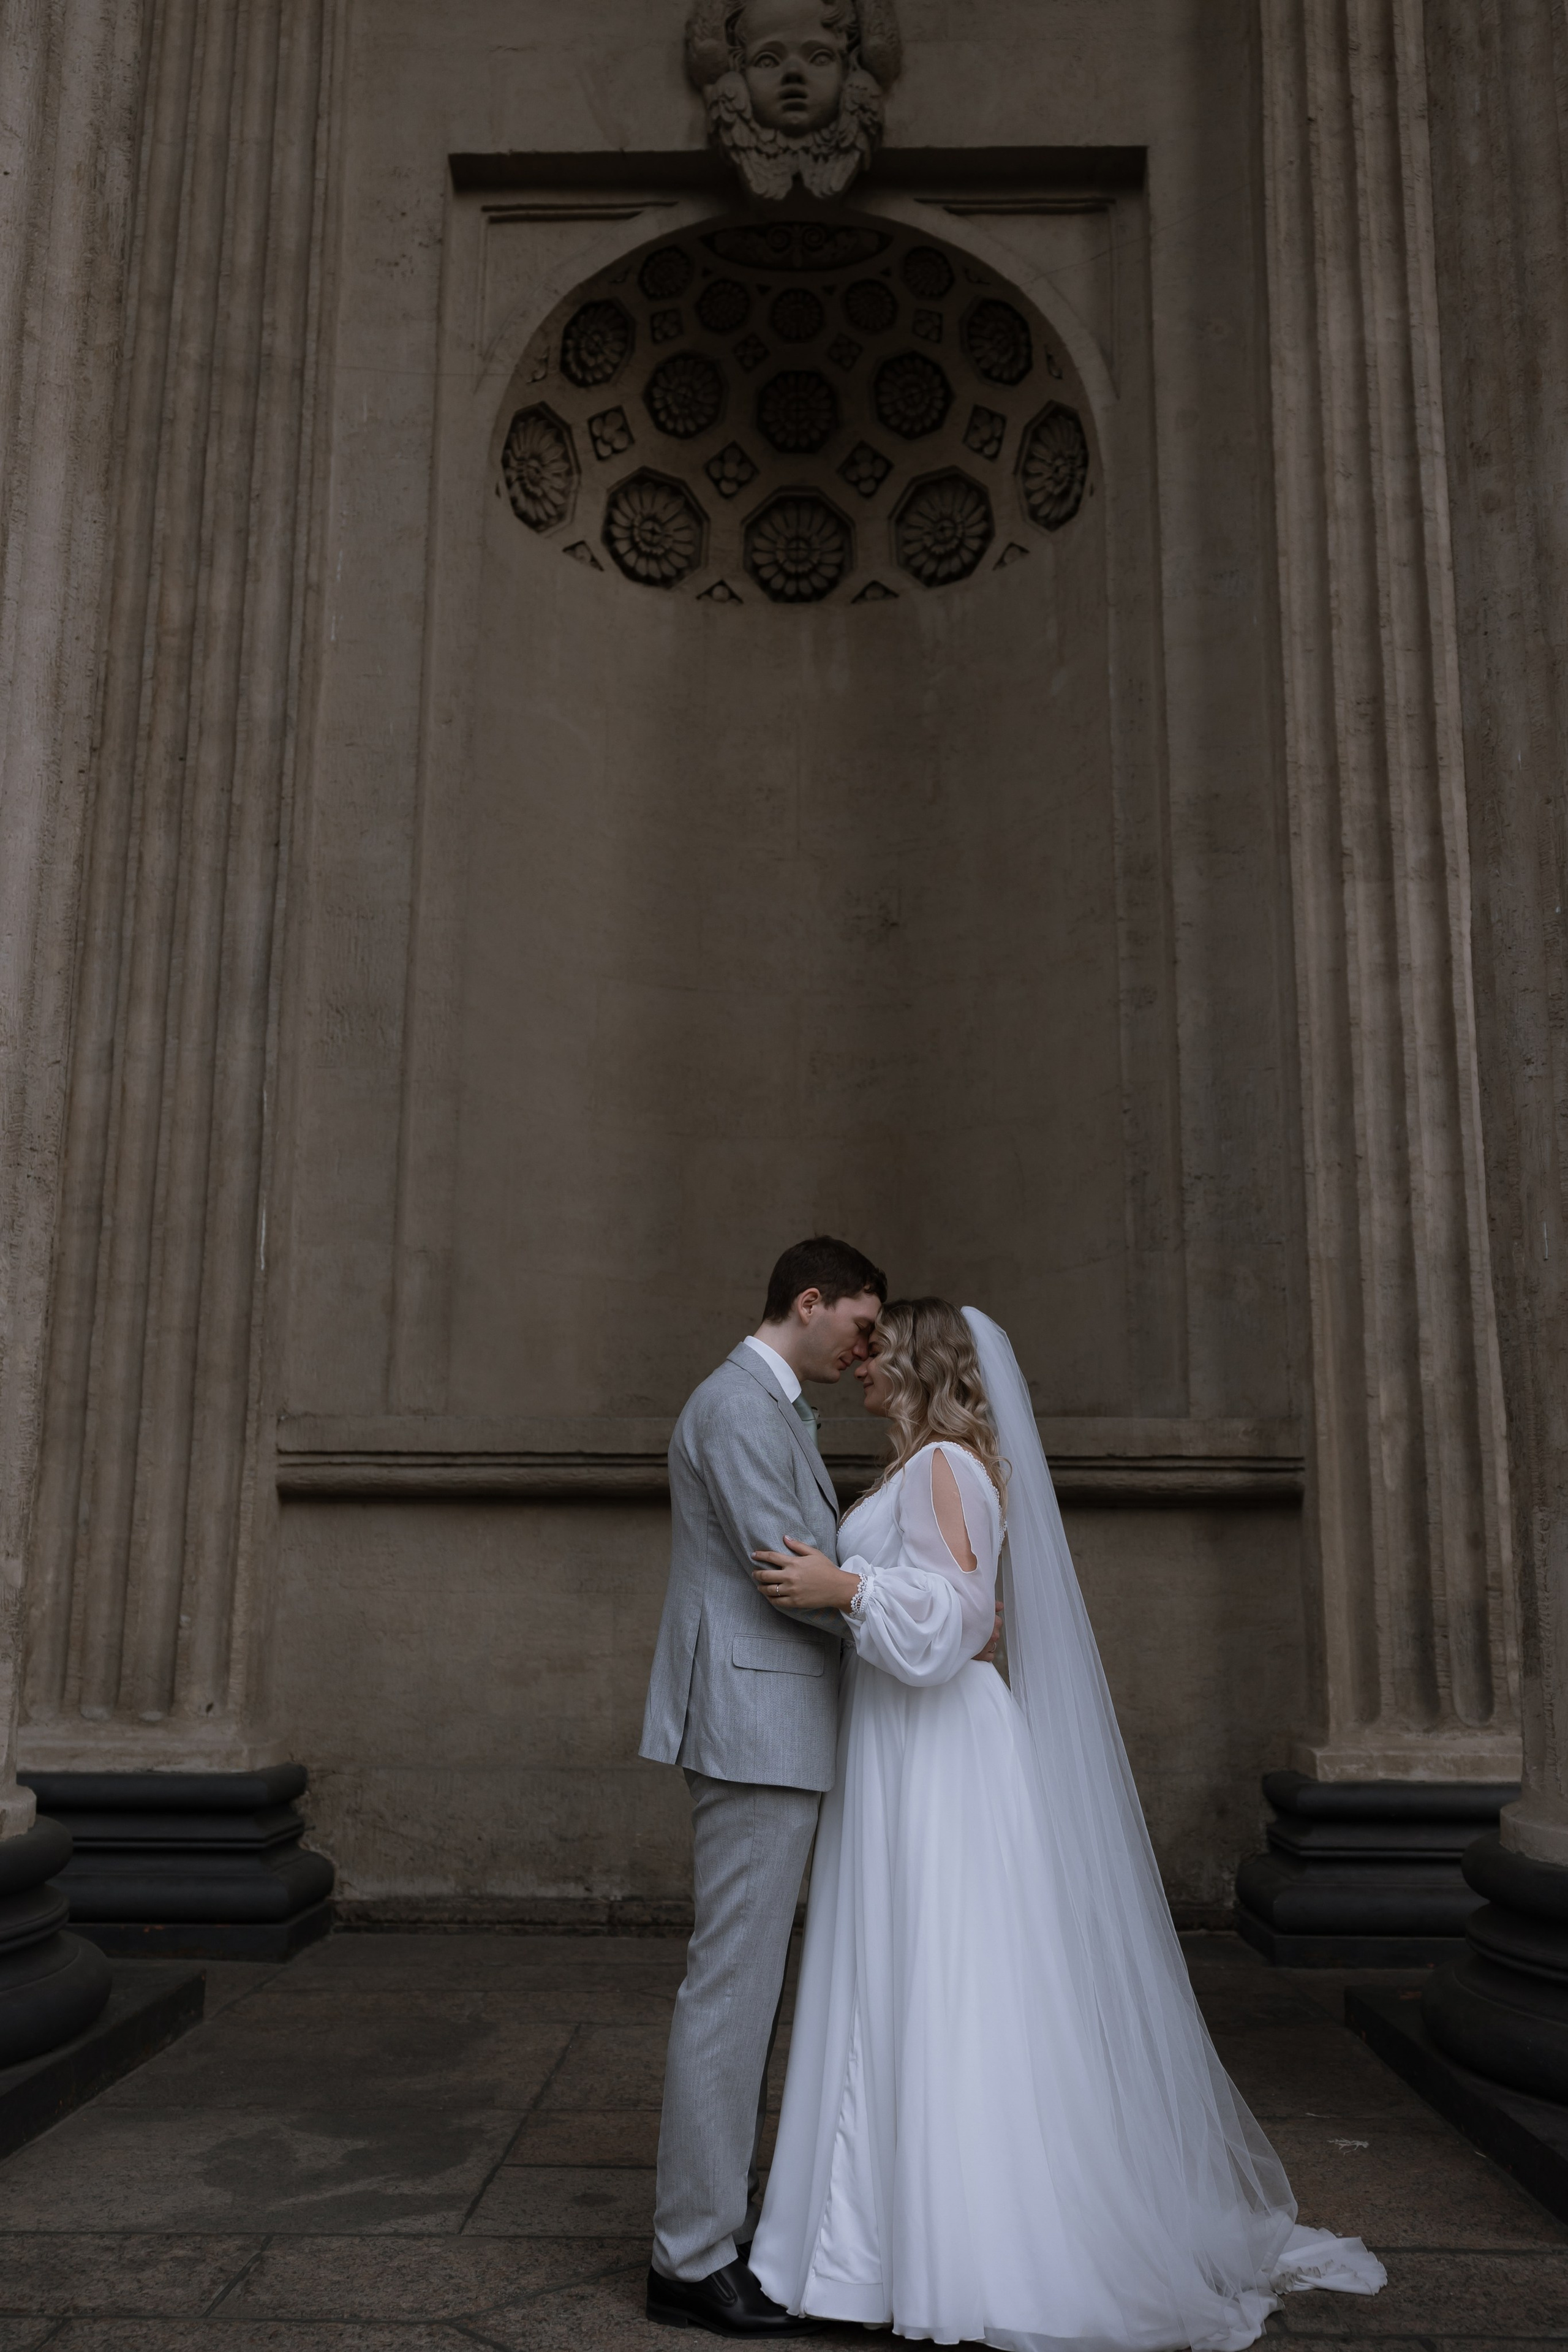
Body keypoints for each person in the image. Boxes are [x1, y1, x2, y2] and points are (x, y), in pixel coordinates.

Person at [747, 1298, 1387, 2352]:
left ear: (921, 1367)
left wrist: (841, 1587)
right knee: (903, 1970)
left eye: (877, 1353)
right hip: (906, 1747)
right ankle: (867, 2239)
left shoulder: (947, 1468)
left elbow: (956, 1621)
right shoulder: (927, 1468)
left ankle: (948, 2245)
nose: (860, 1367)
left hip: (939, 1749)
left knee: (947, 1975)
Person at [640, 1237, 889, 2335]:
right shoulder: (740, 1406)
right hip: (755, 1725)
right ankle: (689, 2257)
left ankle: (719, 2228)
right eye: (860, 1326)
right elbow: (789, 1574)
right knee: (732, 1990)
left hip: (776, 1721)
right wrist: (913, 1620)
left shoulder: (775, 1406)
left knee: (750, 1988)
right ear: (811, 1300)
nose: (868, 1348)